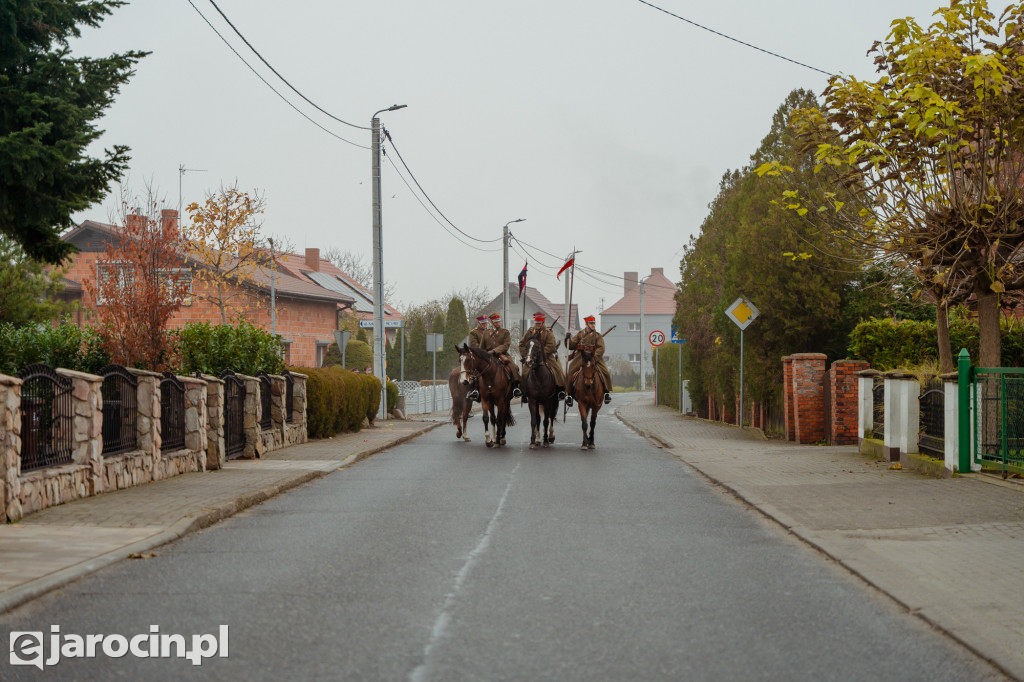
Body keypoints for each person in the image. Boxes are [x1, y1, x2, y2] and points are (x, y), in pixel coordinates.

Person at [519, 311, 566, 403]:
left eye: (539, 323)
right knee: (525, 371)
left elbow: (551, 346)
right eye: (536, 323)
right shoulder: (529, 332)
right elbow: (521, 344)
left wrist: (541, 354)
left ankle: (560, 390)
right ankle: (524, 391)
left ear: (543, 323)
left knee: (557, 370)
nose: (538, 325)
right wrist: (526, 355)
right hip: (531, 356)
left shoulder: (548, 333)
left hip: (546, 357)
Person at [566, 315, 612, 406]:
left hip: (594, 356)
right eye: (591, 323)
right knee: (570, 371)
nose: (593, 325)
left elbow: (601, 348)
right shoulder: (580, 334)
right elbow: (571, 346)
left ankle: (606, 392)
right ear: (586, 324)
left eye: (594, 323)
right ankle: (569, 394)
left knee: (605, 372)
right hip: (581, 356)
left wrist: (595, 357)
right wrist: (567, 339)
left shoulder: (597, 336)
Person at [487, 313, 522, 398]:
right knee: (476, 368)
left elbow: (506, 345)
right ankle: (474, 389)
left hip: (502, 354)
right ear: (491, 322)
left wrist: (494, 350)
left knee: (513, 367)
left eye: (498, 322)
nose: (497, 323)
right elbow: (481, 346)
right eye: (495, 322)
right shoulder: (486, 332)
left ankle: (516, 387)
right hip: (488, 356)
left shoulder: (505, 332)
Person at [466, 315, 489, 401]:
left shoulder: (489, 331)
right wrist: (484, 350)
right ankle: (473, 390)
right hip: (479, 356)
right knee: (474, 372)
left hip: (491, 354)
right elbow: (473, 344)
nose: (484, 324)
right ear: (478, 323)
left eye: (486, 323)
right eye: (483, 323)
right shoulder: (474, 332)